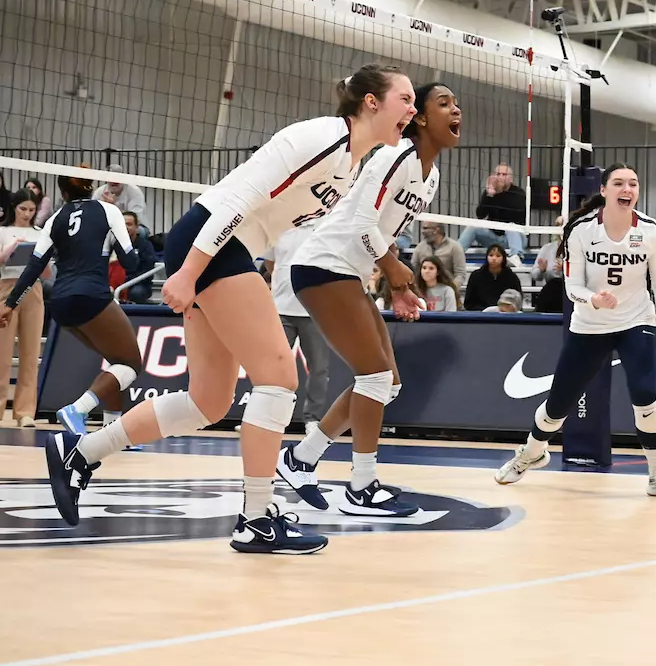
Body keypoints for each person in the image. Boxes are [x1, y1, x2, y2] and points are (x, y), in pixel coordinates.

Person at [42, 63, 417, 554]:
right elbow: (238, 200)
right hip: (214, 241)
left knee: (208, 402)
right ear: (372, 102)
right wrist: (189, 271)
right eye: (405, 99)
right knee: (279, 375)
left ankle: (82, 453)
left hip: (224, 249)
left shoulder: (351, 166)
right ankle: (256, 518)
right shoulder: (323, 137)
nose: (411, 111)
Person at [276, 82, 457, 516]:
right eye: (444, 103)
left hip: (348, 272)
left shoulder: (430, 174)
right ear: (420, 119)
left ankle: (301, 457)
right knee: (374, 377)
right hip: (324, 265)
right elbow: (361, 223)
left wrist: (398, 286)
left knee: (386, 384)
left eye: (456, 104)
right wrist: (395, 272)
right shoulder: (396, 157)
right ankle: (362, 485)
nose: (456, 111)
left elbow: (384, 232)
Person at [494, 164, 656, 499]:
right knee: (559, 405)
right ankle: (530, 453)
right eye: (619, 183)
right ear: (604, 189)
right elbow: (572, 287)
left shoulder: (653, 232)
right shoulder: (581, 230)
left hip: (636, 321)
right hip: (589, 324)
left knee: (645, 393)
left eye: (633, 184)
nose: (627, 189)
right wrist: (594, 299)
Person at [5, 177, 145, 486]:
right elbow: (131, 262)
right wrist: (124, 240)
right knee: (132, 364)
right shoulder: (108, 211)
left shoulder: (54, 219)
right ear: (94, 188)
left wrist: (10, 304)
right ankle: (76, 410)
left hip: (61, 304)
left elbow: (33, 266)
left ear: (64, 193)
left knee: (116, 362)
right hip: (91, 296)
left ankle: (115, 434)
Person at [262, 221, 334, 436]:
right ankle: (266, 417)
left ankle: (312, 418)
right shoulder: (279, 226)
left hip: (314, 310)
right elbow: (270, 264)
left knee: (319, 368)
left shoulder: (324, 228)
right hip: (281, 309)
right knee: (274, 368)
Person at [0, 189, 49, 426]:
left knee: (30, 354)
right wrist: (11, 249)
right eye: (23, 209)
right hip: (6, 287)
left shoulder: (40, 234)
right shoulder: (3, 231)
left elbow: (47, 272)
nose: (27, 214)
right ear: (14, 207)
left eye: (31, 210)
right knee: (2, 353)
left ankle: (25, 411)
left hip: (33, 288)